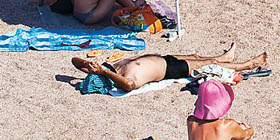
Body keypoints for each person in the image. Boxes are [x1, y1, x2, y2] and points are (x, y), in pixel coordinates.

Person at [72, 46, 267, 93]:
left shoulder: (113, 66)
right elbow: (129, 87)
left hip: (164, 59)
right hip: (170, 69)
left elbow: (75, 61)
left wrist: (92, 67)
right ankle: (248, 64)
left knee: (198, 58)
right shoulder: (126, 77)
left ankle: (226, 57)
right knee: (206, 66)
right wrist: (104, 73)